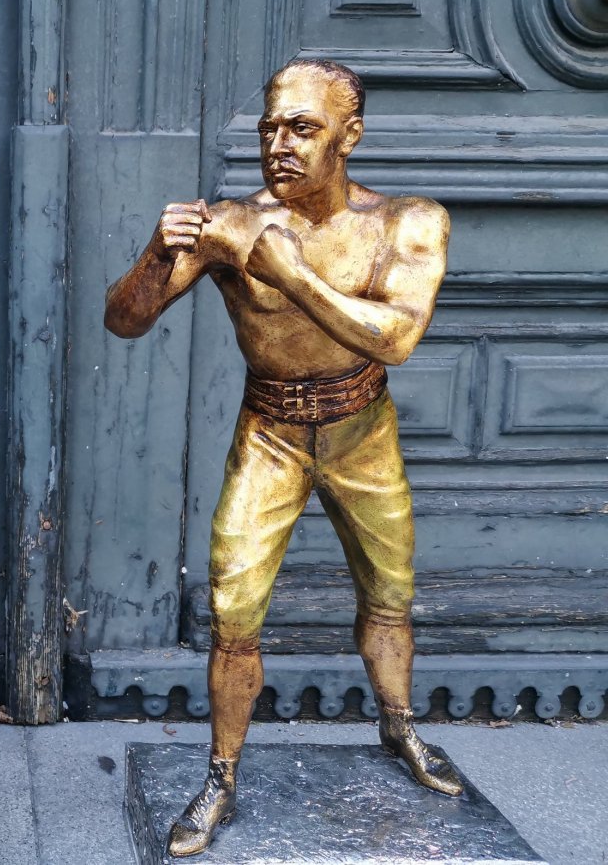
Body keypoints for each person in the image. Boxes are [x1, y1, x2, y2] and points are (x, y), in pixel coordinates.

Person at [104, 58, 463, 858]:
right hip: (269, 432)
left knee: (389, 589)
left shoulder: (407, 221)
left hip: (361, 427)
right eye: (271, 127)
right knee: (235, 612)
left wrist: (293, 275)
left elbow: (396, 338)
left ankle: (398, 726)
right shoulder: (232, 224)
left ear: (349, 136)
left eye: (302, 127)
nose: (280, 144)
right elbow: (124, 322)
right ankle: (222, 775)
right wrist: (156, 254)